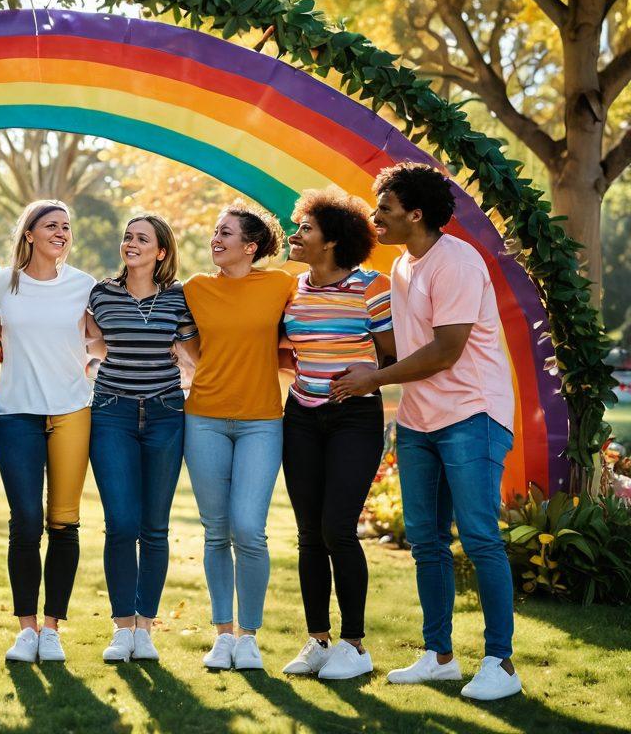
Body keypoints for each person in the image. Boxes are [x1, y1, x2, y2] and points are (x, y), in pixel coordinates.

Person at [333, 162, 520, 700]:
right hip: (419, 419)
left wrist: (374, 379)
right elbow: (403, 345)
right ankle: (440, 657)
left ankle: (502, 663)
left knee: (479, 537)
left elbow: (445, 351)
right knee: (426, 542)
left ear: (416, 214)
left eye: (385, 209)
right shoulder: (401, 265)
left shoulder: (456, 261)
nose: (376, 218)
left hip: (472, 414)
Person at [278, 188, 395, 680]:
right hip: (301, 416)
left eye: (305, 228)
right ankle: (318, 641)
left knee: (337, 529)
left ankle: (355, 645)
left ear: (332, 240)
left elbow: (393, 354)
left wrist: (368, 376)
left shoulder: (373, 287)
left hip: (355, 417)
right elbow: (283, 347)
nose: (295, 235)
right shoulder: (292, 288)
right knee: (309, 533)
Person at [182, 200, 295, 672]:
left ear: (251, 246)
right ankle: (223, 635)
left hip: (261, 421)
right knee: (215, 531)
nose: (216, 239)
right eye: (215, 231)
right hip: (203, 418)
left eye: (225, 233)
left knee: (248, 528)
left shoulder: (280, 285)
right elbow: (185, 340)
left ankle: (249, 636)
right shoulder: (195, 288)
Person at [0, 200, 96, 664]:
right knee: (26, 520)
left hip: (72, 410)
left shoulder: (84, 285)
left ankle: (52, 629)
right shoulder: (2, 283)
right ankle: (26, 629)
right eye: (51, 225)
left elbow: (100, 341)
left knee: (64, 521)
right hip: (16, 414)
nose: (61, 233)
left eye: (66, 227)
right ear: (29, 234)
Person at [85, 214, 197, 663]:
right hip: (112, 413)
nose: (131, 243)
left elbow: (195, 355)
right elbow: (92, 342)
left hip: (167, 414)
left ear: (161, 251)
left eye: (142, 239)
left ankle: (145, 628)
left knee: (154, 527)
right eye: (128, 236)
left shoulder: (178, 297)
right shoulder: (101, 293)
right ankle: (121, 627)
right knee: (121, 523)